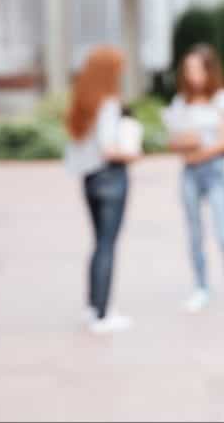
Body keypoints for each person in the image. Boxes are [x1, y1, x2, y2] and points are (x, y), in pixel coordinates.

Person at [167, 44, 224, 318]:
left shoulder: (223, 99)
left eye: (197, 68)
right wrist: (186, 145)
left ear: (209, 69)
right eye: (188, 68)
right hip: (190, 174)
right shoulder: (181, 101)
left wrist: (196, 150)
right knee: (194, 234)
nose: (192, 74)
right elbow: (174, 139)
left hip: (216, 172)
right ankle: (201, 288)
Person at [64, 46, 139, 335]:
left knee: (98, 244)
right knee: (107, 244)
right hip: (111, 178)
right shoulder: (107, 104)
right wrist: (132, 154)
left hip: (90, 180)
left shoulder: (84, 104)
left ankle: (93, 305)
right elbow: (109, 149)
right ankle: (103, 314)